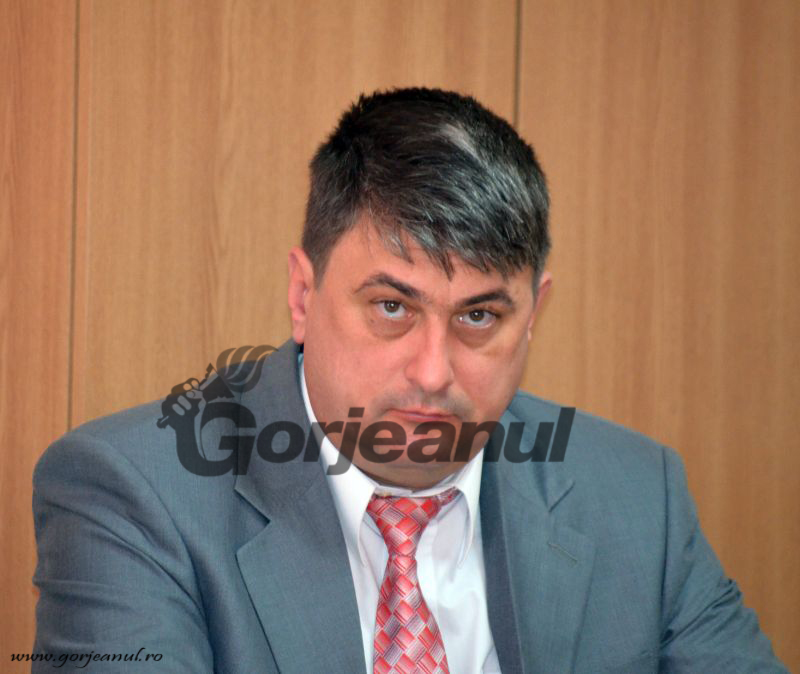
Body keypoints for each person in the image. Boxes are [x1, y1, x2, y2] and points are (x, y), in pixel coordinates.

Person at [32, 88, 786, 673]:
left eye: (479, 316)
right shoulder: (131, 496)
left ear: (533, 314)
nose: (432, 372)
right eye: (392, 307)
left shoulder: (637, 497)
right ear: (303, 295)